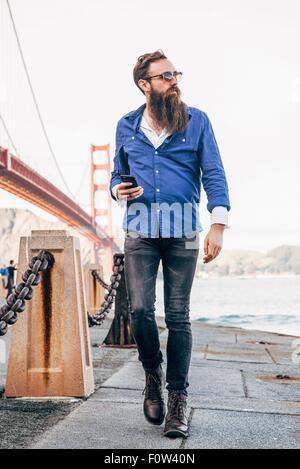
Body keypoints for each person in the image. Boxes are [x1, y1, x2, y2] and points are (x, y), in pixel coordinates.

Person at [110, 50, 231, 438]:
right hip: (140, 230)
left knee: (178, 317)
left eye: (175, 73)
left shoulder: (197, 121)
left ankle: (177, 399)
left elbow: (213, 171)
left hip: (183, 232)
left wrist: (218, 224)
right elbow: (116, 173)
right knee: (142, 310)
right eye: (165, 76)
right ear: (145, 85)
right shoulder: (125, 125)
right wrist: (118, 189)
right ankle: (152, 373)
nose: (174, 80)